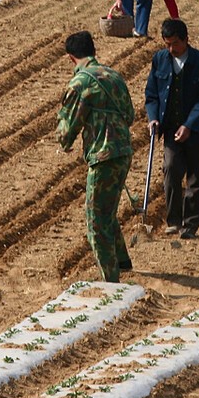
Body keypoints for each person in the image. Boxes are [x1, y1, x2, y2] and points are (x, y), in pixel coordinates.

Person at [57, 31, 135, 281]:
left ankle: (110, 280)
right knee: (107, 210)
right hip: (123, 151)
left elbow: (67, 128)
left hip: (102, 156)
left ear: (71, 58)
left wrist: (66, 139)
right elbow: (130, 114)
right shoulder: (114, 75)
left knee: (95, 220)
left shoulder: (79, 83)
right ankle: (122, 261)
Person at [144, 19, 199, 240]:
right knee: (171, 168)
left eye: (175, 43)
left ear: (186, 39)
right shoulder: (159, 60)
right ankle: (174, 220)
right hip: (170, 129)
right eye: (167, 44)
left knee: (197, 178)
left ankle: (190, 224)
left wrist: (189, 125)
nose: (171, 49)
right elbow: (152, 94)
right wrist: (153, 118)